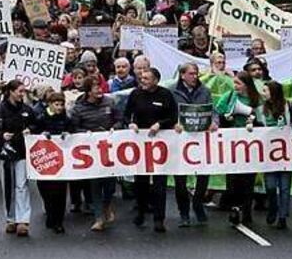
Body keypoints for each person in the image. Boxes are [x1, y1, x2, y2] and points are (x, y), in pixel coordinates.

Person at [125, 68, 178, 233]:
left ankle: (159, 218)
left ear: (156, 80)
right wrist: (130, 123)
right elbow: (126, 114)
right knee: (140, 182)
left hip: (160, 144)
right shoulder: (135, 94)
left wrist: (160, 124)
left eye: (147, 78)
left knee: (159, 184)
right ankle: (141, 211)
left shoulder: (165, 95)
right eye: (141, 78)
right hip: (141, 143)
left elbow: (173, 116)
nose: (143, 81)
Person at [68, 77, 123, 231]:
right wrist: (86, 133)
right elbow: (73, 128)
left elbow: (119, 119)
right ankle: (99, 218)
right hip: (90, 152)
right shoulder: (79, 108)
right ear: (88, 90)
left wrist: (115, 127)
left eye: (100, 87)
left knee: (110, 185)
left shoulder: (109, 102)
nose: (99, 90)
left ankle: (107, 205)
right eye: (95, 88)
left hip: (109, 149)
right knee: (95, 184)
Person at [171, 63, 216, 226]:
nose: (194, 77)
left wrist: (214, 122)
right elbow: (169, 112)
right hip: (180, 141)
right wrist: (172, 125)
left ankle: (198, 203)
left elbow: (213, 111)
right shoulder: (172, 91)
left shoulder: (205, 91)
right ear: (182, 75)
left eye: (196, 74)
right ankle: (184, 213)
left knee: (203, 175)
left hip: (200, 139)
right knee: (180, 179)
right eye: (191, 74)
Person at [216, 71, 264, 225]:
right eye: (234, 83)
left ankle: (247, 210)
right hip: (233, 143)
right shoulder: (229, 97)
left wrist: (254, 119)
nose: (235, 86)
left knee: (248, 179)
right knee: (233, 179)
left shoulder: (256, 99)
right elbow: (218, 113)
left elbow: (263, 118)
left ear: (247, 84)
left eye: (238, 83)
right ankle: (235, 208)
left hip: (251, 144)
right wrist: (226, 118)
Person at [0, 80, 36, 237]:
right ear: (10, 91)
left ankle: (23, 220)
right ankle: (10, 218)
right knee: (8, 186)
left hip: (22, 152)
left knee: (22, 185)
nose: (22, 94)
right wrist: (1, 135)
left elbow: (36, 124)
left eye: (23, 91)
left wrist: (30, 130)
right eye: (20, 91)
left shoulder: (27, 110)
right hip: (5, 153)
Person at [255, 81, 292, 229]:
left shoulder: (290, 106)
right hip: (269, 154)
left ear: (273, 92)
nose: (263, 93)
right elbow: (257, 126)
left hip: (286, 153)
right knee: (270, 185)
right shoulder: (261, 109)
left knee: (285, 187)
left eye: (266, 91)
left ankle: (282, 217)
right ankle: (273, 206)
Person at [31, 92, 71, 234]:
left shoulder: (65, 118)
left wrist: (68, 133)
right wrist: (41, 134)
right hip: (46, 159)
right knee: (46, 189)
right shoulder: (42, 118)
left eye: (61, 105)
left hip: (61, 160)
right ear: (50, 104)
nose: (59, 108)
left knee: (60, 190)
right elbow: (34, 131)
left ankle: (58, 221)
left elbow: (72, 129)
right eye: (56, 104)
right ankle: (50, 213)